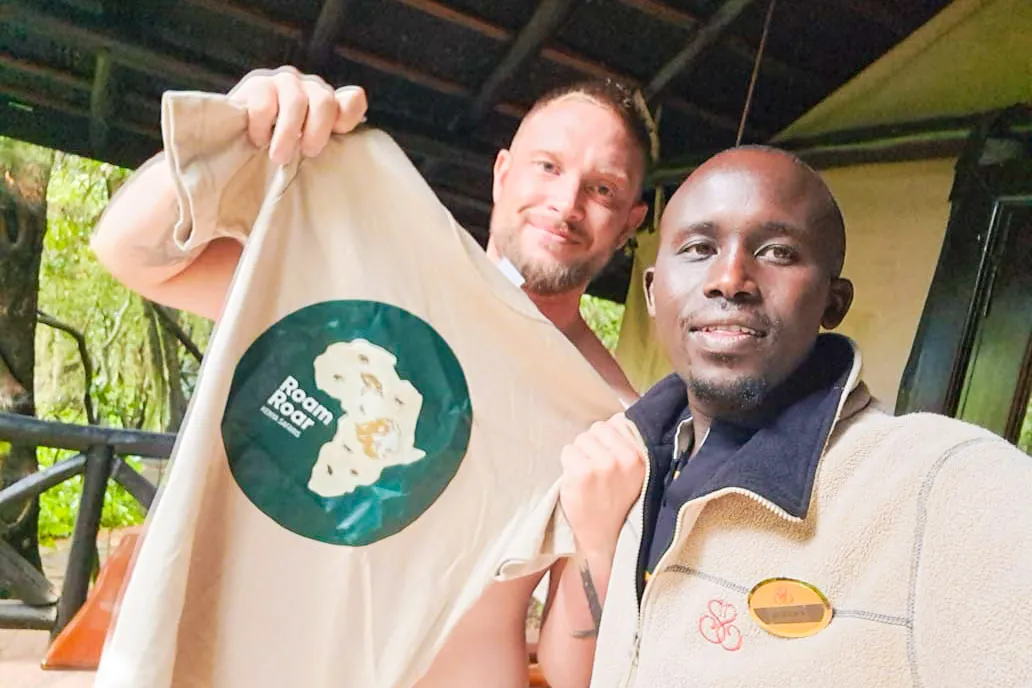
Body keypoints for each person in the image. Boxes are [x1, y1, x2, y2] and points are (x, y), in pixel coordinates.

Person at [91, 66, 650, 687]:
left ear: (630, 223)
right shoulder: (367, 283)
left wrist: (603, 547)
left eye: (602, 189)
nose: (566, 202)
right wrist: (240, 126)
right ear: (502, 173)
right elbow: (128, 251)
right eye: (548, 166)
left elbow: (573, 676)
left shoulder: (614, 419)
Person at [562, 146, 1032, 687]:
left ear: (833, 303)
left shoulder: (946, 486)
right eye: (698, 248)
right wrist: (596, 545)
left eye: (778, 252)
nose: (729, 277)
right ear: (651, 291)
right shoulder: (628, 463)